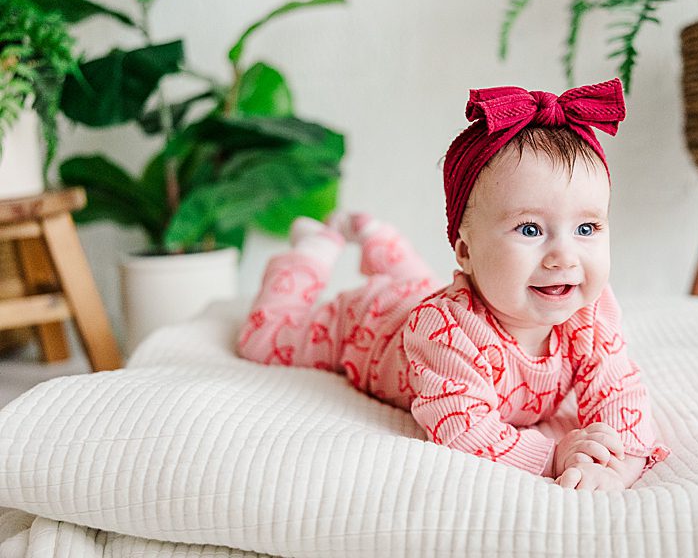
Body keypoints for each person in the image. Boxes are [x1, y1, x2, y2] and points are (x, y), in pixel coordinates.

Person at [237, 79, 669, 491]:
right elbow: (464, 429)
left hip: (419, 294)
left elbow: (619, 391)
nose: (564, 256)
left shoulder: (589, 313)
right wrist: (554, 456)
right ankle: (313, 249)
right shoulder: (446, 330)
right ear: (464, 253)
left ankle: (377, 238)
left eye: (588, 227)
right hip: (368, 323)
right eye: (531, 230)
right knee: (265, 340)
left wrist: (617, 463)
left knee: (416, 283)